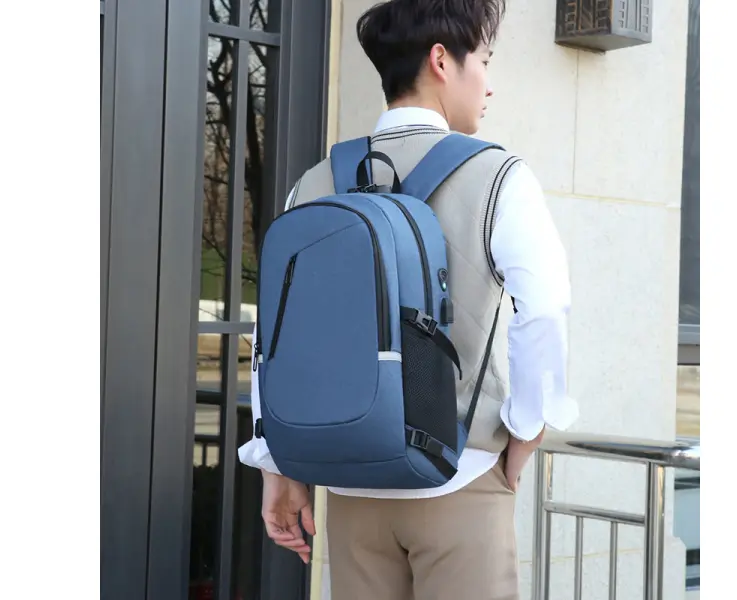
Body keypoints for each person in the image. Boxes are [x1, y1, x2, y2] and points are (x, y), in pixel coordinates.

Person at [238, 1, 579, 598]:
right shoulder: (498, 176)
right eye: (485, 61)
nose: (489, 85)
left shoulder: (315, 183)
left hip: (350, 485)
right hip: (459, 480)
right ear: (442, 61)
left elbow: (275, 336)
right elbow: (545, 306)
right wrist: (528, 426)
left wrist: (276, 465)